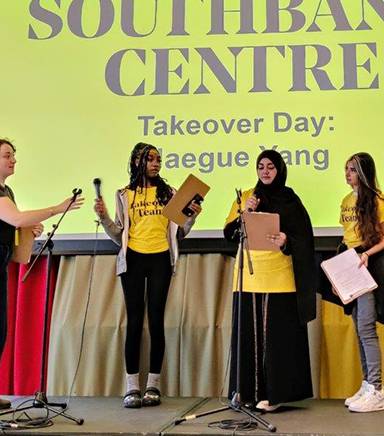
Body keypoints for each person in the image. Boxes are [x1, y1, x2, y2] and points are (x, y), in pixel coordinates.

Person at [0, 138, 83, 414]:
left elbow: (14, 224)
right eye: (7, 155)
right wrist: (56, 208)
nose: (13, 160)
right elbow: (16, 218)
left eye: (14, 155)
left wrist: (31, 227)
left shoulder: (6, 190)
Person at [94, 142, 201, 409]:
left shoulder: (170, 193)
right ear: (137, 162)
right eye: (150, 159)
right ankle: (132, 387)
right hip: (133, 260)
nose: (156, 163)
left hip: (161, 259)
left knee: (155, 321)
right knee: (133, 322)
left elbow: (180, 233)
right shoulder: (124, 194)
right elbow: (119, 235)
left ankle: (153, 385)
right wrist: (105, 217)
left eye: (158, 159)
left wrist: (191, 218)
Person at [223, 150, 315, 412]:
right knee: (248, 339)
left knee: (276, 342)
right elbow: (229, 234)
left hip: (278, 279)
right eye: (261, 167)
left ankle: (273, 395)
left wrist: (287, 240)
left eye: (271, 167)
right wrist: (245, 212)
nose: (265, 172)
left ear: (280, 170)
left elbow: (304, 239)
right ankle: (246, 393)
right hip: (248, 277)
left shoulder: (290, 200)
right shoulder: (246, 197)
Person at [338, 153, 384, 413]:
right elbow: (346, 236)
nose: (347, 174)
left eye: (352, 169)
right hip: (349, 263)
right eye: (346, 169)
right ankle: (367, 384)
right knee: (358, 328)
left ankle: (377, 389)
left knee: (367, 327)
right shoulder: (346, 200)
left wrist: (367, 254)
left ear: (364, 172)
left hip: (368, 263)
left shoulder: (378, 199)